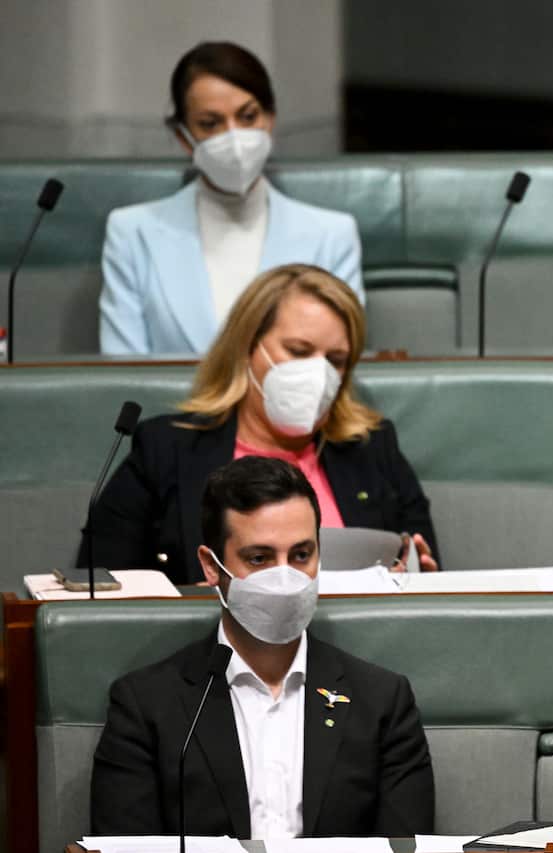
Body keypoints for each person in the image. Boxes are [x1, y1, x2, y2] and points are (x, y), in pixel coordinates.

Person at [91, 455, 434, 838]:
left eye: (301, 555)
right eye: (259, 558)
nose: (285, 577)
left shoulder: (383, 703)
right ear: (211, 566)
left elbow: (406, 845)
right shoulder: (146, 706)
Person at [79, 263, 439, 584]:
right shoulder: (164, 449)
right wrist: (193, 606)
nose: (319, 372)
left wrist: (418, 577)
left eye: (336, 359)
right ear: (247, 347)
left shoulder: (373, 449)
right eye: (298, 351)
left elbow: (427, 568)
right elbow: (102, 583)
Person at [99, 41, 364, 356]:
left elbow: (339, 362)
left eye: (248, 116)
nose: (234, 136)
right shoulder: (132, 233)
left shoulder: (331, 235)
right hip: (169, 406)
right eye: (210, 124)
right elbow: (121, 374)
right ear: (184, 136)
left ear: (271, 118)